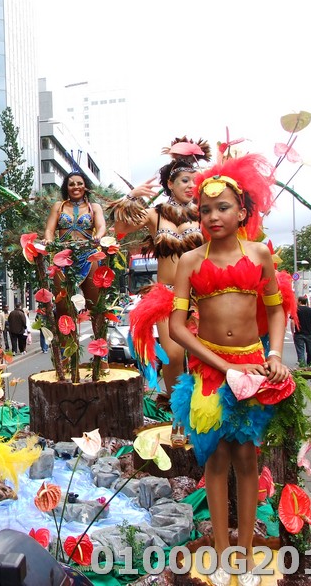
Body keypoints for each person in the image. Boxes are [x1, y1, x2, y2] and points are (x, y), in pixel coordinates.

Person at [169, 153, 292, 586]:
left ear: (242, 212)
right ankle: (221, 555)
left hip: (253, 369)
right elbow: (177, 326)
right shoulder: (189, 260)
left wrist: (274, 356)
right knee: (216, 459)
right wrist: (222, 365)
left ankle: (247, 553)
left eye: (223, 207)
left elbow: (276, 311)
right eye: (205, 209)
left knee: (247, 459)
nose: (213, 216)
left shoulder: (260, 254)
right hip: (209, 370)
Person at [113, 137, 211, 444]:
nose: (191, 186)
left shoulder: (204, 213)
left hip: (201, 295)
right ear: (170, 183)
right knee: (173, 354)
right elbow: (120, 230)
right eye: (184, 180)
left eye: (194, 181)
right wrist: (131, 197)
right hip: (167, 295)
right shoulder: (155, 214)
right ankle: (178, 418)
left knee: (204, 356)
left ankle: (203, 416)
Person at [43, 171, 107, 335]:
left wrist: (99, 236)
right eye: (71, 184)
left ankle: (101, 348)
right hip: (62, 258)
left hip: (89, 256)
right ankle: (67, 348)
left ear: (86, 186)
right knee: (63, 306)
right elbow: (49, 230)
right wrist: (48, 240)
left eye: (79, 183)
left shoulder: (95, 207)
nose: (75, 187)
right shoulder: (59, 207)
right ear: (66, 187)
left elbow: (101, 227)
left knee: (95, 306)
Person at [292, 295, 311, 365]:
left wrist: (293, 331)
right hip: (309, 333)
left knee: (300, 350)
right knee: (310, 350)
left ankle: (302, 365)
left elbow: (292, 321)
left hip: (298, 333)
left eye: (297, 301)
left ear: (300, 302)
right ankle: (310, 364)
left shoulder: (296, 310)